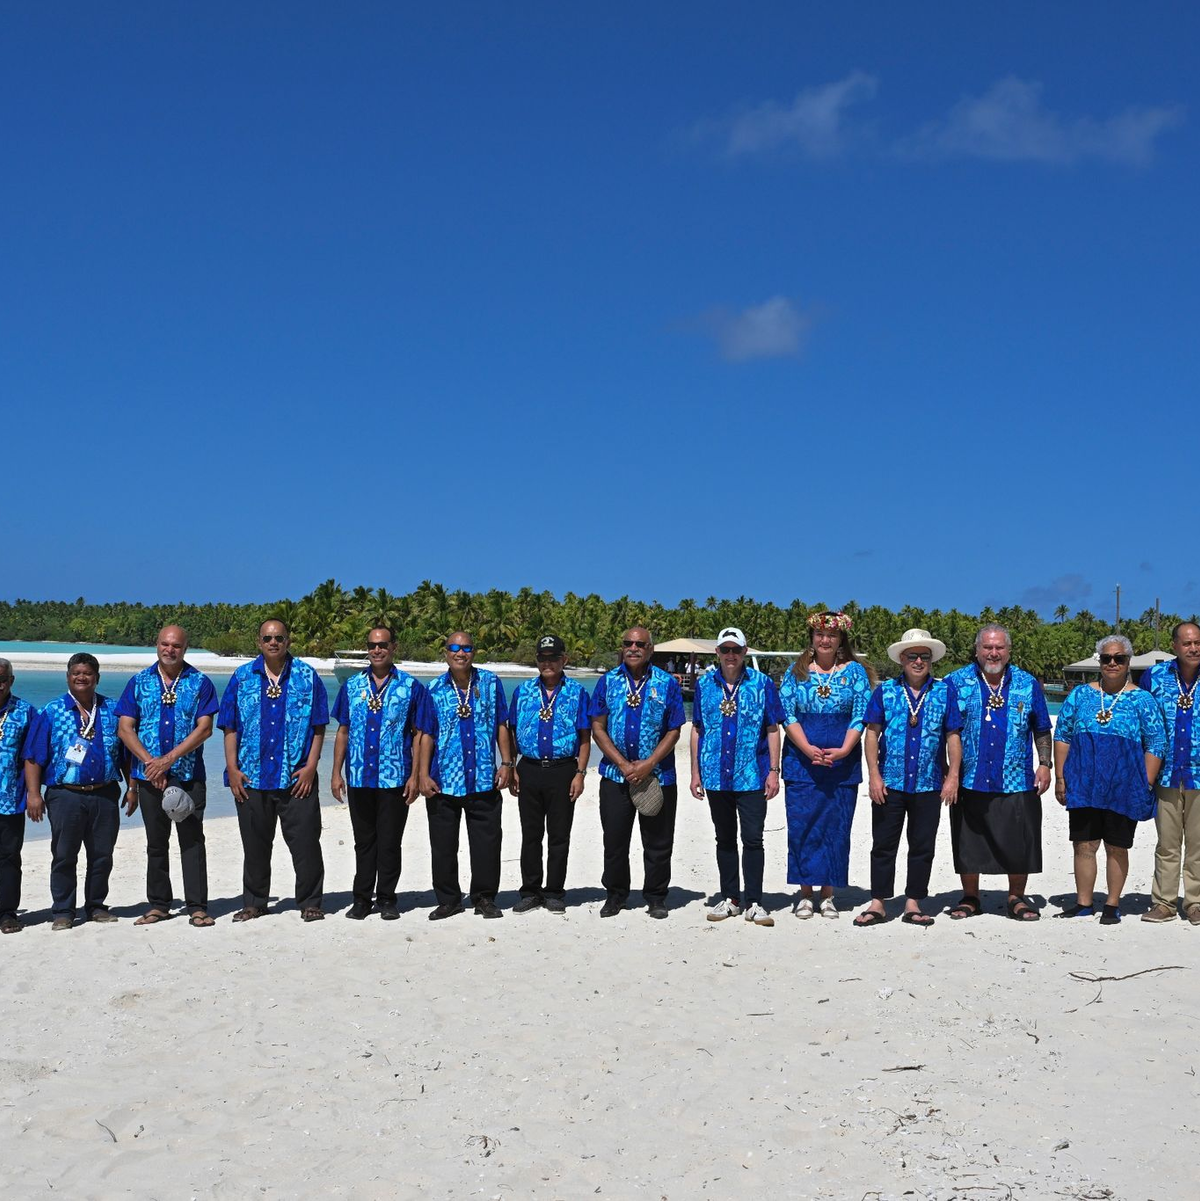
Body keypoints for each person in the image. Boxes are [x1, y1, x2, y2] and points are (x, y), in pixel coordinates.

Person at [218, 619, 329, 922]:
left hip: (296, 779)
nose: (273, 643)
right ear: (259, 642)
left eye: (279, 638)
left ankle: (310, 902)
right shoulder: (242, 678)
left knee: (306, 844)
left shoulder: (307, 676)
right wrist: (232, 768)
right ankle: (254, 903)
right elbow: (229, 726)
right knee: (254, 846)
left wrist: (310, 767)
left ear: (288, 641)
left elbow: (319, 727)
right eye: (267, 638)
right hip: (251, 778)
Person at [1054, 634, 1165, 925]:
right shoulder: (1080, 695)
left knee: (1117, 846)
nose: (1113, 663)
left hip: (1124, 785)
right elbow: (1062, 734)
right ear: (1099, 661)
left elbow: (1156, 743)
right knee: (1084, 844)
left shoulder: (1142, 698)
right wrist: (1061, 776)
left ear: (1128, 662)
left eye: (1119, 658)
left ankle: (1113, 904)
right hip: (1084, 782)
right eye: (1107, 658)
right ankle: (1083, 903)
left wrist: (1147, 783)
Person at [945, 623, 1053, 920]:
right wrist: (949, 773)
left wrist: (1044, 764)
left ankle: (1016, 897)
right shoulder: (956, 682)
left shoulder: (1027, 683)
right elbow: (947, 730)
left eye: (999, 647)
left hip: (1016, 776)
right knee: (968, 840)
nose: (993, 652)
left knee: (1019, 839)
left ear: (1008, 651)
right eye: (987, 647)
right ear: (977, 650)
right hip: (970, 776)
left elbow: (1042, 728)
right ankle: (970, 897)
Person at [856, 629, 962, 927]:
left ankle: (913, 902)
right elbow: (872, 734)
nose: (918, 661)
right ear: (902, 659)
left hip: (929, 782)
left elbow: (953, 735)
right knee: (883, 844)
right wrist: (874, 775)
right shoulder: (885, 691)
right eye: (912, 656)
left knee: (922, 844)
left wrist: (952, 776)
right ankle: (878, 902)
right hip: (890, 781)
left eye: (924, 656)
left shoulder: (944, 691)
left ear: (931, 660)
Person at [116, 625, 219, 928]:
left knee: (192, 841)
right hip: (148, 777)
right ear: (156, 645)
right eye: (165, 644)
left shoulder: (200, 682)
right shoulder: (139, 682)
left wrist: (169, 760)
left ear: (186, 648)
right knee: (156, 843)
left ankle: (197, 906)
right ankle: (159, 904)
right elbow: (125, 728)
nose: (170, 650)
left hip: (188, 776)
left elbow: (205, 728)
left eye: (176, 645)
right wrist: (151, 764)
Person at [24, 653, 135, 929]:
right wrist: (34, 794)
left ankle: (96, 906)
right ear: (68, 677)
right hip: (65, 795)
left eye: (87, 673)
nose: (81, 678)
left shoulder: (113, 710)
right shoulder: (51, 711)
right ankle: (63, 910)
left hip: (105, 792)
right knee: (64, 854)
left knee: (102, 855)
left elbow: (126, 754)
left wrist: (132, 787)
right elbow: (34, 756)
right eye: (76, 673)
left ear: (97, 678)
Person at [332, 626, 435, 920]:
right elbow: (342, 730)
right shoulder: (351, 686)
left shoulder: (411, 687)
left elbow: (419, 734)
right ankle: (362, 899)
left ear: (394, 647)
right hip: (359, 776)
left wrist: (415, 776)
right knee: (364, 841)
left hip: (394, 777)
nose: (377, 650)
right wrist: (336, 773)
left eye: (383, 645)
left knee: (389, 841)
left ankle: (388, 898)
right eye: (372, 645)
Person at [778, 612, 873, 918]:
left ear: (841, 639)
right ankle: (805, 893)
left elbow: (861, 714)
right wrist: (806, 748)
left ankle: (828, 893)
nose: (825, 640)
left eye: (831, 635)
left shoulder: (856, 673)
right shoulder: (797, 672)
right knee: (802, 826)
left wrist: (846, 748)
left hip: (841, 762)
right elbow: (786, 714)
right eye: (819, 634)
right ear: (812, 638)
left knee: (837, 827)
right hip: (801, 761)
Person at [691, 627, 784, 926]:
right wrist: (695, 772)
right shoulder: (705, 685)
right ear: (717, 652)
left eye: (736, 649)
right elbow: (697, 730)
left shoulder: (763, 684)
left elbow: (772, 728)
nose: (730, 655)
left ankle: (755, 901)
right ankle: (730, 898)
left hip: (752, 776)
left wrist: (774, 770)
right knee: (724, 838)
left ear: (745, 652)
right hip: (716, 775)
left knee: (753, 839)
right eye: (725, 649)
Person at [589, 627, 685, 919]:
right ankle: (616, 895)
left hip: (659, 776)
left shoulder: (667, 683)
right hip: (615, 776)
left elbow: (674, 729)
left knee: (657, 841)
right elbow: (598, 727)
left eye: (640, 644)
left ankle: (656, 897)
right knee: (615, 840)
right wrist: (622, 763)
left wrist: (648, 763)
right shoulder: (607, 682)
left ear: (650, 649)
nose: (633, 648)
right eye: (628, 643)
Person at [418, 632, 513, 920]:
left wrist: (507, 763)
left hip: (483, 779)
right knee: (443, 846)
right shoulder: (432, 689)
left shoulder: (490, 682)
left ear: (474, 651)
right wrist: (422, 774)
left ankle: (484, 898)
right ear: (445, 652)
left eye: (466, 648)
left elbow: (501, 725)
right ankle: (449, 900)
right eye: (454, 648)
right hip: (444, 780)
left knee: (486, 844)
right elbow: (425, 735)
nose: (461, 653)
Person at [508, 635, 591, 914]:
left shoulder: (577, 692)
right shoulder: (522, 691)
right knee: (530, 835)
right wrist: (512, 766)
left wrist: (580, 773)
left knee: (559, 835)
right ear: (537, 661)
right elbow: (510, 730)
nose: (548, 663)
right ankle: (530, 891)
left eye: (553, 658)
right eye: (543, 658)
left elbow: (584, 737)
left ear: (564, 660)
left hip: (563, 770)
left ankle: (554, 891)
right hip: (529, 768)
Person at [1139, 621, 1200, 924]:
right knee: (1167, 843)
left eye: (1198, 642)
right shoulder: (1155, 676)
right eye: (1187, 643)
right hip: (1166, 773)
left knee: (1199, 844)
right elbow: (1143, 721)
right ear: (1175, 646)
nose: (1194, 648)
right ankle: (1163, 902)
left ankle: (1195, 902)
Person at [0, 659, 35, 934]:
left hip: (10, 800)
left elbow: (33, 757)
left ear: (11, 681)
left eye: (2, 679)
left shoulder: (26, 712)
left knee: (9, 857)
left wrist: (34, 794)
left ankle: (7, 912)